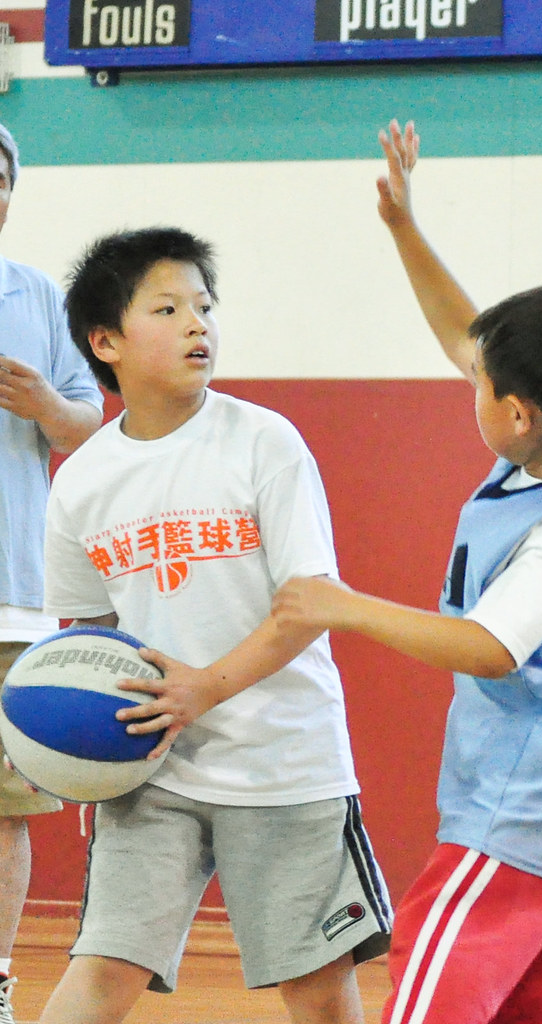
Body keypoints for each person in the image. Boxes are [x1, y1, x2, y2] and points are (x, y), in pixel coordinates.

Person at [271, 120, 542, 1024]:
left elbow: (490, 646)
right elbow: (468, 334)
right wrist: (405, 227)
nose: (467, 380)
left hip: (525, 812)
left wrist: (343, 605)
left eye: (481, 383)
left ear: (518, 414)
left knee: (430, 998)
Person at [37, 227, 392, 1024]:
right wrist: (62, 738)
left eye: (204, 306)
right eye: (168, 309)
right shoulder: (82, 482)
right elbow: (88, 635)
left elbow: (310, 604)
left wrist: (205, 688)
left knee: (316, 986)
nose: (198, 324)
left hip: (283, 763)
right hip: (150, 772)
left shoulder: (264, 441)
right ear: (106, 342)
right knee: (104, 967)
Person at [0, 122, 103, 1024]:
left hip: (12, 600)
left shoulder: (36, 297)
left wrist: (44, 405)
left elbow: (89, 425)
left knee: (4, 810)